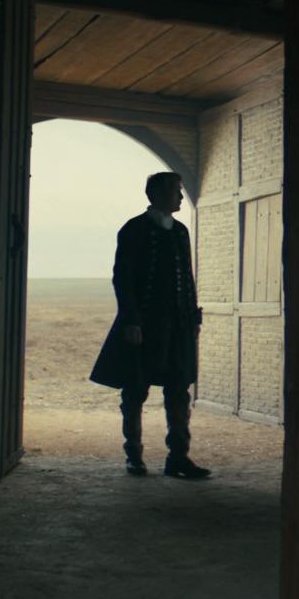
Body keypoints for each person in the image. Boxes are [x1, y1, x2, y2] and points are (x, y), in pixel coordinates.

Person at [88, 172, 211, 480]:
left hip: (178, 326)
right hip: (145, 326)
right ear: (156, 195)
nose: (180, 197)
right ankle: (134, 456)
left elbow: (187, 277)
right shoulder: (134, 229)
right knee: (134, 391)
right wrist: (131, 320)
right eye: (175, 191)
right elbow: (123, 278)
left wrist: (192, 318)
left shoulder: (180, 231)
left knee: (178, 390)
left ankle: (178, 458)